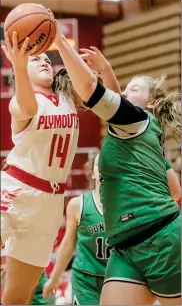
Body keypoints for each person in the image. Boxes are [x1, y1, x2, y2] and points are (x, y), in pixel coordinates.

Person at [49, 20, 181, 305]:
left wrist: (59, 41)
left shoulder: (135, 120)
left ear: (151, 104)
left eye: (133, 90)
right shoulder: (139, 133)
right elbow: (175, 189)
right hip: (124, 245)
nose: (124, 93)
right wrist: (107, 69)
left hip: (159, 239)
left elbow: (90, 89)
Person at [0, 28, 82, 305]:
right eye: (35, 59)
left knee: (17, 297)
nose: (45, 61)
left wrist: (59, 40)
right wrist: (18, 66)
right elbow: (28, 105)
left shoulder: (70, 98)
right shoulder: (20, 103)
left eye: (48, 58)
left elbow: (100, 90)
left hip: (50, 203)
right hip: (15, 192)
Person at [43, 153, 113, 305]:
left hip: (118, 279)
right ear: (92, 173)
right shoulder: (77, 205)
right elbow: (68, 245)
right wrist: (54, 279)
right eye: (99, 164)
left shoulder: (129, 206)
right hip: (86, 280)